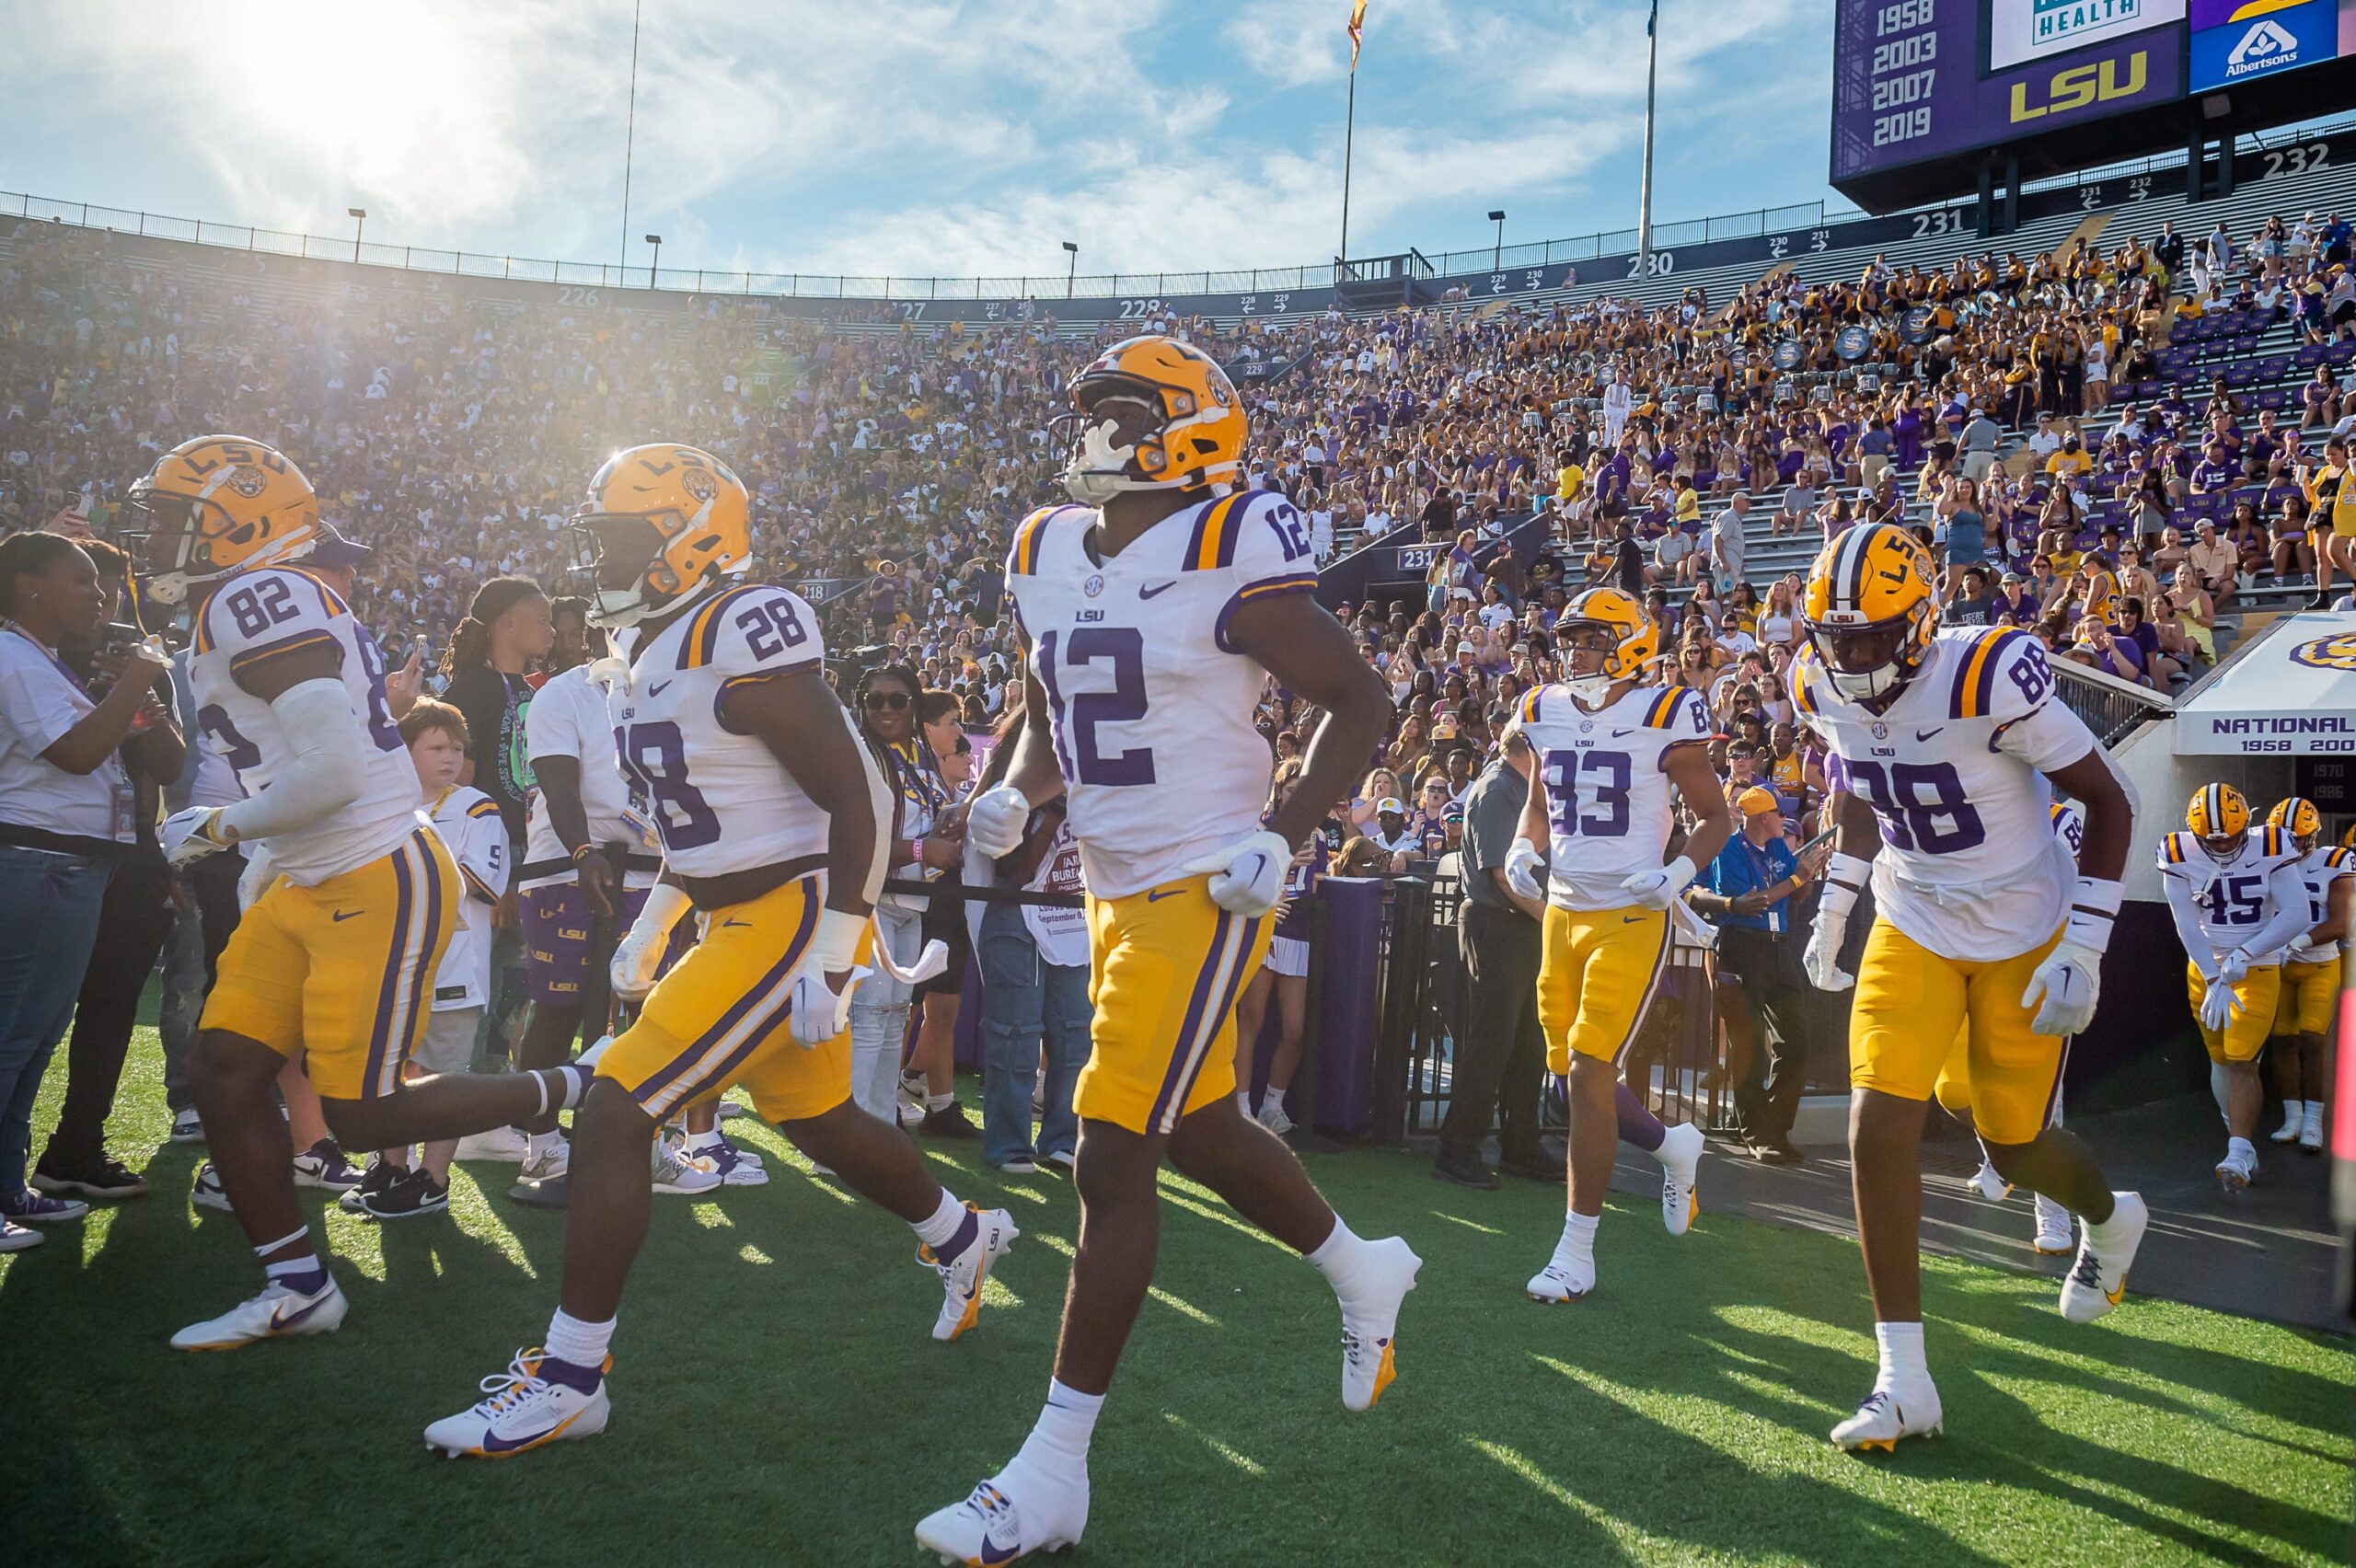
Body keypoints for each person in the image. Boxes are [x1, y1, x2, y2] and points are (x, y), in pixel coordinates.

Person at [919, 336, 1419, 1564]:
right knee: (1196, 1125)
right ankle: (1364, 1269)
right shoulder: (1043, 547)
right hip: (1109, 877)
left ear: (1188, 430)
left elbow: (1364, 702)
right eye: (1087, 405)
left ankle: (1052, 1473)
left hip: (1206, 874)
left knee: (1108, 1148)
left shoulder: (1230, 541)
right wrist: (1014, 789)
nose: (1090, 426)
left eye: (1118, 410)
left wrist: (1286, 833)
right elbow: (1054, 705)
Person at [426, 443, 1013, 1456]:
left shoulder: (737, 626)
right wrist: (657, 921)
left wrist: (834, 954)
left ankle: (571, 1377)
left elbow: (859, 798)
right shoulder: (643, 657)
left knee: (616, 1114)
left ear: (688, 540)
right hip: (729, 913)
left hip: (789, 915)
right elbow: (701, 827)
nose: (598, 559)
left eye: (618, 538)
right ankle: (965, 1236)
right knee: (819, 1117)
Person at [137, 435, 589, 1351]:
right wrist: (263, 855)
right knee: (226, 1069)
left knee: (362, 1110)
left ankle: (580, 1084)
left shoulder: (256, 596)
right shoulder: (253, 598)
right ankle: (297, 1285)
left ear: (235, 522)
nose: (153, 532)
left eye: (173, 514)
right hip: (313, 874)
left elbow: (337, 770)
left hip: (371, 870)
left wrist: (218, 828)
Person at [1795, 520, 2145, 1452]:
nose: (1854, 656)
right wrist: (1837, 901)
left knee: (2013, 1142)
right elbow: (1857, 784)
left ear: (1920, 621)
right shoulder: (1815, 682)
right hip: (1911, 916)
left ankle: (2111, 1220)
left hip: (2020, 928)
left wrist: (2086, 946)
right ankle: (1901, 1381)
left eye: (1873, 635)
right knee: (1879, 1127)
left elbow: (2110, 799)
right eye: (1839, 638)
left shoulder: (1988, 674)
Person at [1504, 586, 1729, 1292]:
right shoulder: (1544, 708)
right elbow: (1541, 803)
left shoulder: (1665, 711)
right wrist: (1521, 845)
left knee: (1590, 1069)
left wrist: (1676, 877)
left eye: (1593, 640)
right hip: (1563, 911)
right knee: (1570, 1071)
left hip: (1631, 914)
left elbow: (1715, 817)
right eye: (1572, 639)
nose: (1576, 652)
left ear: (1631, 644)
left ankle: (1577, 1252)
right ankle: (1673, 1145)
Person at [0, 533, 173, 1249]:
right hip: (39, 865)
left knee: (35, 1036)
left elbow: (151, 755)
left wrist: (131, 694)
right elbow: (74, 756)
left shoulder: (40, 660)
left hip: (67, 867)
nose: (99, 597)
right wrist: (135, 679)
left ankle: (9, 1183)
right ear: (28, 585)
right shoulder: (13, 656)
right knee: (13, 1037)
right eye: (81, 581)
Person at [338, 698, 510, 1218]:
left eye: (456, 748)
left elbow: (481, 883)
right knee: (391, 1071)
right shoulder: (382, 804)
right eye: (435, 746)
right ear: (403, 753)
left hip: (454, 969)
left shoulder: (477, 807)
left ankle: (433, 1180)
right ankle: (392, 1166)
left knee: (443, 1075)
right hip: (390, 966)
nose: (449, 757)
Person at [2155, 786, 2313, 1191]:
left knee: (2243, 1059)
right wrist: (2211, 975)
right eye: (2213, 839)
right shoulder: (2177, 850)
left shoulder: (2272, 842)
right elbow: (2185, 920)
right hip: (2204, 965)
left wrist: (2248, 951)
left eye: (2230, 835)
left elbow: (2298, 911)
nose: (2222, 844)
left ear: (2248, 823)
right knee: (2221, 1059)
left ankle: (2240, 1150)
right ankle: (2238, 1134)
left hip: (2256, 964)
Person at [1433, 721, 1557, 1188]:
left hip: (1521, 926)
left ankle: (1519, 1144)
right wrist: (1555, 922)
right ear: (1532, 751)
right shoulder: (1496, 790)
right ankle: (1456, 1149)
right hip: (1498, 923)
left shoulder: (1517, 790)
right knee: (1492, 1041)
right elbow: (1504, 875)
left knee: (1529, 1042)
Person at [438, 577, 551, 1078]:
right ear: (507, 623)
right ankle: (470, 1090)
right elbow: (460, 792)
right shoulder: (467, 691)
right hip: (488, 856)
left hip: (540, 848)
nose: (551, 630)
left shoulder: (544, 688)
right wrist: (498, 875)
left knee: (522, 978)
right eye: (541, 620)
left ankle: (495, 1082)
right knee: (481, 974)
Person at [972, 710, 1089, 1175]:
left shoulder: (1096, 785)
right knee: (1014, 1036)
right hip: (1017, 916)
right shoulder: (1008, 793)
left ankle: (1062, 1137)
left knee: (1075, 1037)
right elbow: (1010, 872)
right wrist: (1053, 808)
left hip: (1075, 922)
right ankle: (1008, 1143)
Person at [1688, 788, 1823, 1162]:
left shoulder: (1779, 849)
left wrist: (1806, 876)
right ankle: (1755, 1132)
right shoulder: (1730, 850)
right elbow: (1754, 902)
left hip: (1780, 949)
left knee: (1794, 1040)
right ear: (1764, 817)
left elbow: (1793, 897)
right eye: (1779, 813)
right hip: (1742, 947)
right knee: (1747, 1046)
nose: (1784, 819)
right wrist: (1798, 878)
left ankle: (1775, 1130)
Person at [1233, 759, 1329, 1138]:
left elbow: (1313, 886)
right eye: (1291, 789)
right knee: (1251, 1019)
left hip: (1299, 932)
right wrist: (1281, 881)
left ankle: (1273, 1104)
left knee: (1294, 1028)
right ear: (1279, 791)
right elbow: (1249, 879)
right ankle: (1240, 1106)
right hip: (1263, 928)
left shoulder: (1318, 836)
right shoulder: (1260, 829)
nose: (1297, 796)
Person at [2261, 797, 2348, 1154]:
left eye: (2298, 838)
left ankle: (2314, 1121)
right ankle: (2293, 1117)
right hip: (2279, 964)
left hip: (2319, 963)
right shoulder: (2262, 859)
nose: (2292, 845)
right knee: (2282, 1040)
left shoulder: (2333, 861)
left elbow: (2342, 922)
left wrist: (2299, 938)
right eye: (2285, 837)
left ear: (2313, 835)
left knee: (2314, 1040)